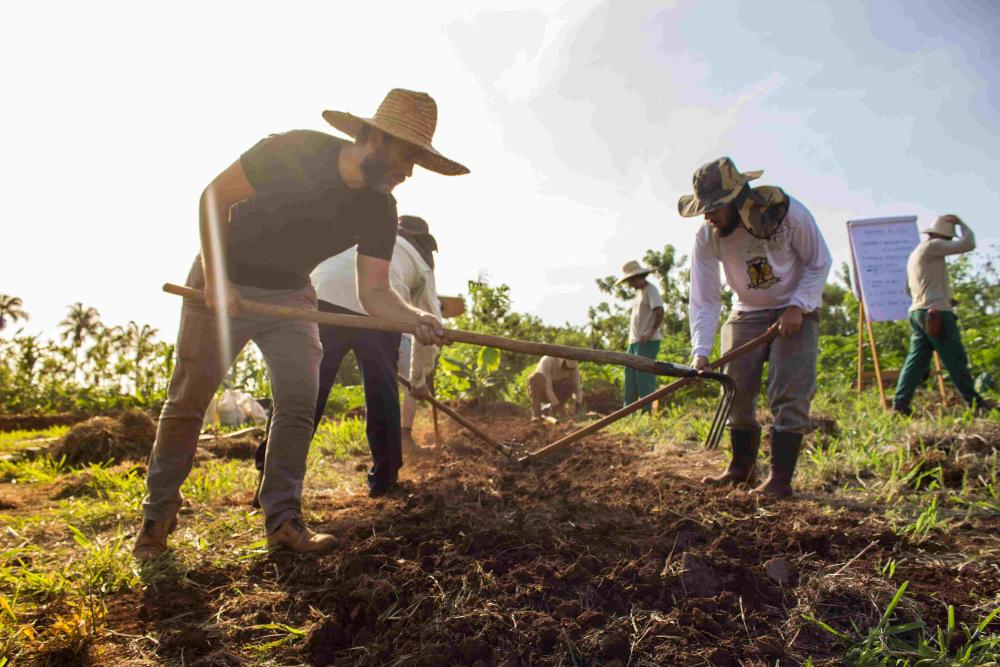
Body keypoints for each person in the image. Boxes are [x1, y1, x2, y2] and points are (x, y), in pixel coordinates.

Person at [133, 89, 468, 559]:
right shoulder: (293, 150)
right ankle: (156, 518)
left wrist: (417, 318)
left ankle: (283, 521)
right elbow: (214, 197)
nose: (408, 172)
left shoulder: (380, 209)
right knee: (189, 399)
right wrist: (216, 278)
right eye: (405, 157)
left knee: (297, 402)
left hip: (291, 297)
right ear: (373, 138)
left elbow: (375, 292)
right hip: (220, 278)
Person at [251, 215, 442, 504]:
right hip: (381, 308)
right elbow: (430, 326)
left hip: (322, 298)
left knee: (304, 390)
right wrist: (418, 380)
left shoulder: (365, 234)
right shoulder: (420, 260)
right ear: (425, 241)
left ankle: (270, 479)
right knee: (382, 395)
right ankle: (385, 481)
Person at [680, 156, 831, 498]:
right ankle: (741, 468)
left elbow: (819, 262)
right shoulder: (708, 235)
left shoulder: (789, 214)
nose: (707, 214)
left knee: (788, 392)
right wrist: (700, 352)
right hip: (746, 312)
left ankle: (780, 480)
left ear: (737, 199)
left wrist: (798, 306)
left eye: (715, 206)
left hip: (795, 308)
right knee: (735, 389)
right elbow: (704, 298)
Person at [892, 215, 992, 414]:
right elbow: (968, 244)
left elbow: (908, 290)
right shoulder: (934, 246)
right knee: (956, 358)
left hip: (917, 312)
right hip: (935, 313)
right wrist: (961, 222)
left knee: (916, 362)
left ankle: (900, 404)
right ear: (941, 237)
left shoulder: (916, 254)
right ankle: (976, 404)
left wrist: (943, 297)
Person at [617, 260, 664, 410]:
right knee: (630, 376)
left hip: (647, 340)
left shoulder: (651, 290)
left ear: (637, 277)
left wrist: (651, 332)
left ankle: (646, 410)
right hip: (634, 341)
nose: (630, 284)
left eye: (631, 281)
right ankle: (628, 410)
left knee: (644, 376)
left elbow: (659, 311)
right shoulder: (639, 293)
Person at [528, 356, 583, 421]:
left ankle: (555, 411)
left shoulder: (574, 368)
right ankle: (536, 414)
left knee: (571, 383)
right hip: (542, 391)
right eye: (566, 368)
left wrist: (578, 403)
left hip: (557, 389)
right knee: (536, 378)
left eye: (570, 369)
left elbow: (577, 387)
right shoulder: (547, 361)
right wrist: (557, 406)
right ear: (562, 362)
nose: (567, 370)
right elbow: (548, 389)